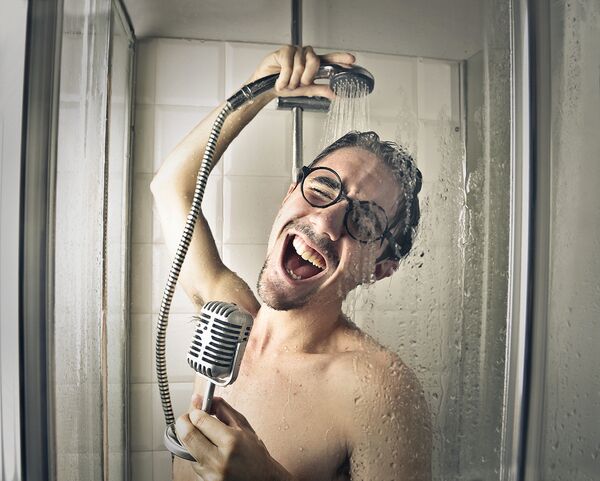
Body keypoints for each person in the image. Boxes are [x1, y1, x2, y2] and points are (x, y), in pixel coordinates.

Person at [151, 45, 431, 481]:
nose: (324, 220)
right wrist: (260, 88)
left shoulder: (380, 390)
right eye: (320, 189)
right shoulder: (227, 318)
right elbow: (170, 186)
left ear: (379, 268)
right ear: (289, 194)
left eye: (364, 220)